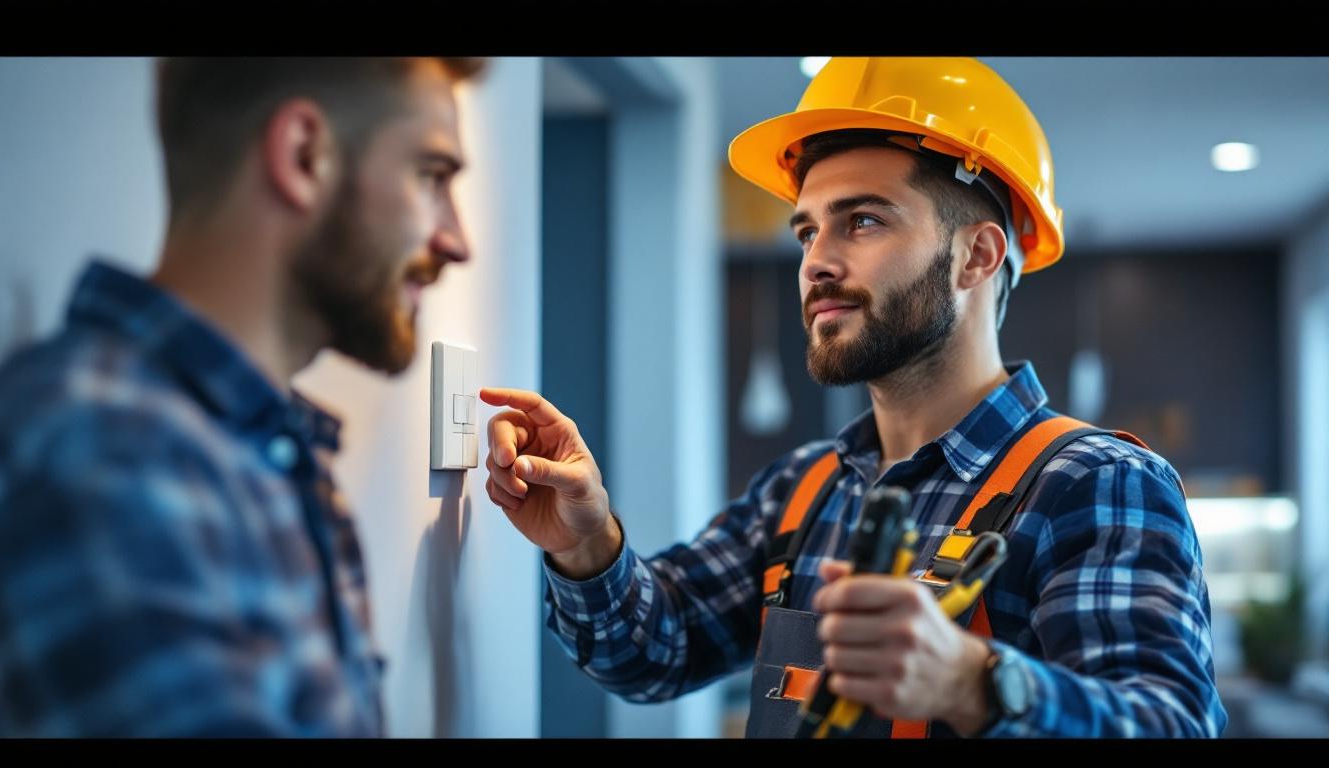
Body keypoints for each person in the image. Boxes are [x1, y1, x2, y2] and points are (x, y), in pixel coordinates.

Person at [480, 57, 1226, 738]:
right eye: (807, 232)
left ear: (977, 255)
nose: (816, 263)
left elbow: (1169, 724)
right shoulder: (800, 490)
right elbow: (655, 652)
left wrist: (974, 684)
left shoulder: (1094, 485)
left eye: (863, 221)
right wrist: (584, 545)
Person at [0, 56, 484, 736]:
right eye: (430, 176)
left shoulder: (276, 457)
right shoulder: (100, 454)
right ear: (305, 155)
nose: (457, 241)